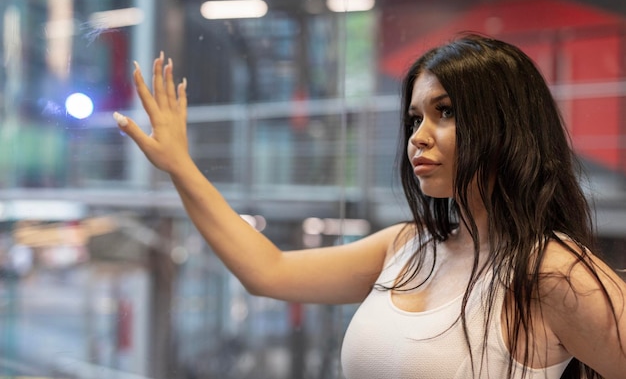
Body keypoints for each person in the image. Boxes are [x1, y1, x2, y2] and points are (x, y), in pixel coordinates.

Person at [113, 34, 626, 379]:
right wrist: (181, 166)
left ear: (506, 123)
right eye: (413, 120)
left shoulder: (551, 270)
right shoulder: (408, 246)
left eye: (443, 113)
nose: (417, 139)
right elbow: (266, 271)